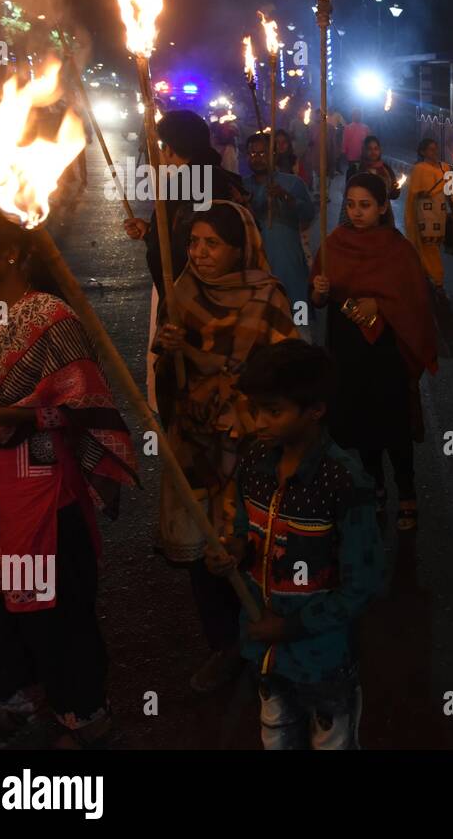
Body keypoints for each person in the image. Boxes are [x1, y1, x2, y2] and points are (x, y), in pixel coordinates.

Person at [0, 201, 138, 748]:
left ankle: (83, 712)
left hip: (42, 483)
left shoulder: (52, 317)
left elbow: (85, 410)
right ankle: (24, 699)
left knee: (51, 605)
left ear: (10, 252)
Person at [205, 340, 388, 750]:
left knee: (331, 742)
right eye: (256, 410)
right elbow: (243, 528)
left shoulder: (345, 482)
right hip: (265, 651)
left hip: (323, 658)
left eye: (274, 411)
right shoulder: (254, 461)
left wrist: (289, 627)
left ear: (316, 410)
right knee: (276, 736)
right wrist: (233, 550)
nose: (259, 422)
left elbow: (365, 583)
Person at [153, 201, 300, 694]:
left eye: (211, 243)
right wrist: (172, 353)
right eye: (193, 242)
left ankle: (266, 637)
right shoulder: (183, 292)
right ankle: (223, 645)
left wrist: (217, 369)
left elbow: (287, 376)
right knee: (203, 550)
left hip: (252, 447)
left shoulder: (266, 296)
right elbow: (165, 380)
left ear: (240, 248)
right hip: (197, 445)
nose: (199, 253)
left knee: (250, 546)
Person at [311, 173, 438, 532]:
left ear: (383, 207)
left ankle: (408, 494)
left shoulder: (398, 250)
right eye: (350, 204)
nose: (356, 212)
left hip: (385, 354)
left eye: (365, 205)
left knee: (393, 425)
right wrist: (320, 290)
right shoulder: (334, 243)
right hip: (348, 351)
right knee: (360, 423)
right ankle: (375, 486)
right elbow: (319, 300)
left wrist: (380, 306)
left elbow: (415, 302)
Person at [122, 109, 248, 407]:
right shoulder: (219, 176)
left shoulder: (185, 183)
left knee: (194, 392)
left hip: (195, 302)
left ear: (169, 147)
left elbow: (186, 246)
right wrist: (151, 231)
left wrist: (160, 246)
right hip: (227, 297)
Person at [242, 132, 316, 340]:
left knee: (301, 328)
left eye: (262, 152)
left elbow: (309, 214)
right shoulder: (242, 186)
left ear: (273, 154)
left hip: (291, 271)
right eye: (252, 153)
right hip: (258, 275)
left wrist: (285, 197)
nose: (257, 157)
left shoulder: (293, 183)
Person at [404, 138, 453, 292]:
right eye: (431, 149)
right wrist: (421, 193)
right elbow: (413, 192)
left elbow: (452, 192)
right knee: (427, 246)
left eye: (435, 148)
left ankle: (427, 273)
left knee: (433, 246)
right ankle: (437, 277)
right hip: (424, 214)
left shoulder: (446, 168)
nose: (434, 152)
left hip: (440, 213)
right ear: (423, 152)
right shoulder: (419, 169)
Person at [339, 136, 399, 226]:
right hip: (360, 215)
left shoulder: (386, 169)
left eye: (376, 149)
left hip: (383, 216)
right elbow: (348, 195)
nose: (373, 152)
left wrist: (396, 189)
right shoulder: (355, 169)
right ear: (364, 150)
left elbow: (393, 194)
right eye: (369, 149)